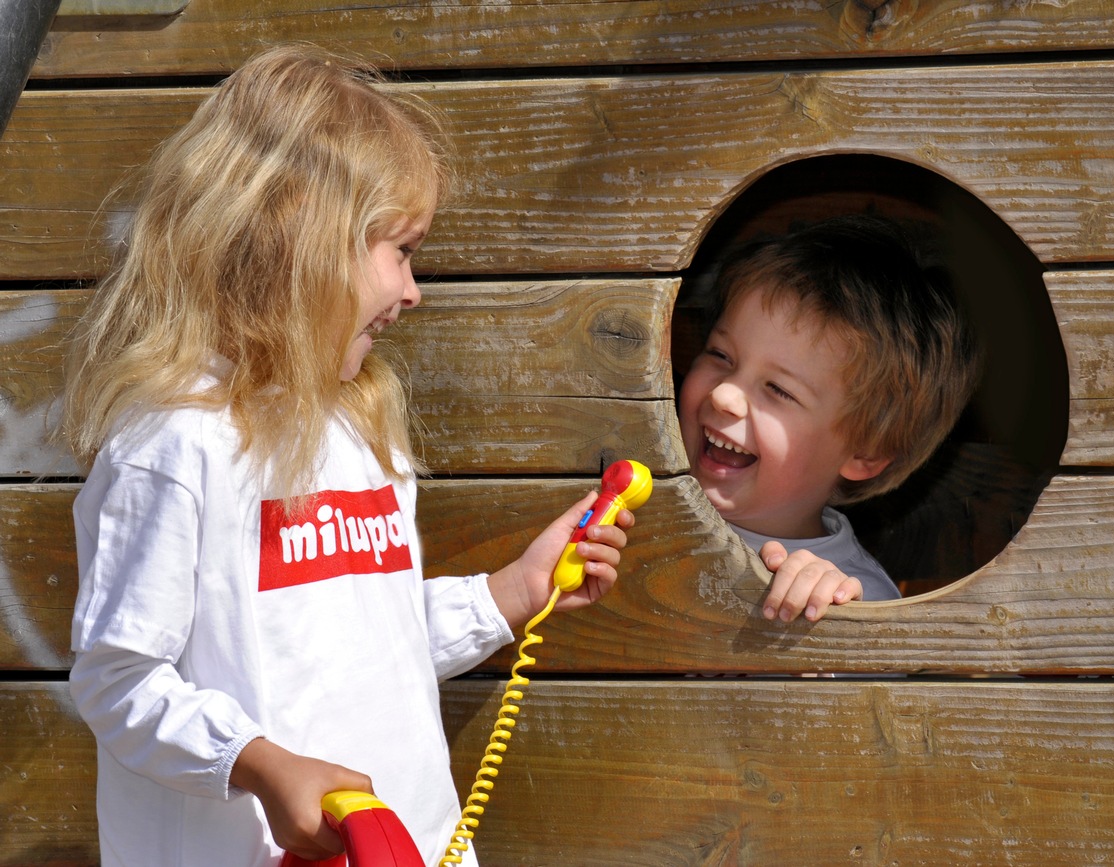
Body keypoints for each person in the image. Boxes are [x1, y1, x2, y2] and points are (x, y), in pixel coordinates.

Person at [60, 45, 634, 867]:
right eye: (400, 251)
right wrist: (260, 766)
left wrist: (515, 592)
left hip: (413, 846)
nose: (413, 291)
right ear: (299, 238)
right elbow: (117, 682)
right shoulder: (175, 442)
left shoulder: (359, 422)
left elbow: (364, 644)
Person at [677, 215, 979, 624]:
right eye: (720, 355)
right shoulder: (624, 517)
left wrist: (819, 667)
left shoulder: (852, 597)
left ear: (866, 453)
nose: (724, 395)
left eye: (779, 390)